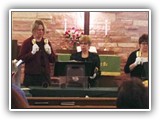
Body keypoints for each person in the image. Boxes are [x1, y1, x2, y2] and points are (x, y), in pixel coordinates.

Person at [18, 20, 56, 87]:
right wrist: (31, 53)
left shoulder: (46, 42)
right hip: (31, 76)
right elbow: (21, 59)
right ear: (33, 30)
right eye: (39, 30)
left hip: (45, 77)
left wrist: (49, 53)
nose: (41, 32)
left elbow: (53, 60)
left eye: (42, 30)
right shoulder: (27, 43)